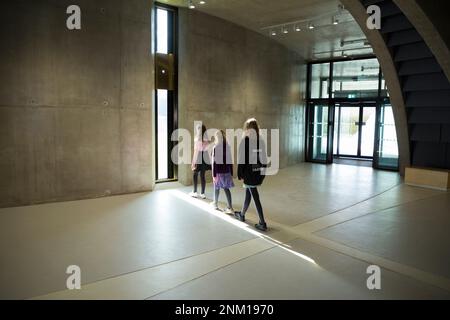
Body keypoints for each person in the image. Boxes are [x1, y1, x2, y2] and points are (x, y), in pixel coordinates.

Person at [234, 118, 268, 231]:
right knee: (248, 194)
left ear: (248, 129)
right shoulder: (261, 140)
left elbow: (241, 159)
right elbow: (264, 159)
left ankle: (262, 222)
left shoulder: (246, 141)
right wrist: (263, 173)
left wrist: (240, 174)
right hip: (257, 172)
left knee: (255, 196)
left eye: (247, 128)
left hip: (249, 173)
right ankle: (242, 214)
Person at [210, 130, 235, 214]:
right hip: (227, 171)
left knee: (216, 187)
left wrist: (213, 175)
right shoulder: (227, 146)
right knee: (226, 188)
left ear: (217, 137)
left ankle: (215, 204)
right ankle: (230, 207)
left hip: (219, 172)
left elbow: (214, 163)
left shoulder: (215, 147)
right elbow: (230, 160)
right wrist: (231, 172)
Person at [190, 124, 211, 199]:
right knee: (202, 175)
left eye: (198, 128)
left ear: (200, 130)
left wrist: (193, 161)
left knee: (195, 174)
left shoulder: (197, 138)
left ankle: (195, 192)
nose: (197, 130)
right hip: (205, 157)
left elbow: (196, 151)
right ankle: (202, 193)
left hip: (199, 156)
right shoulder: (207, 138)